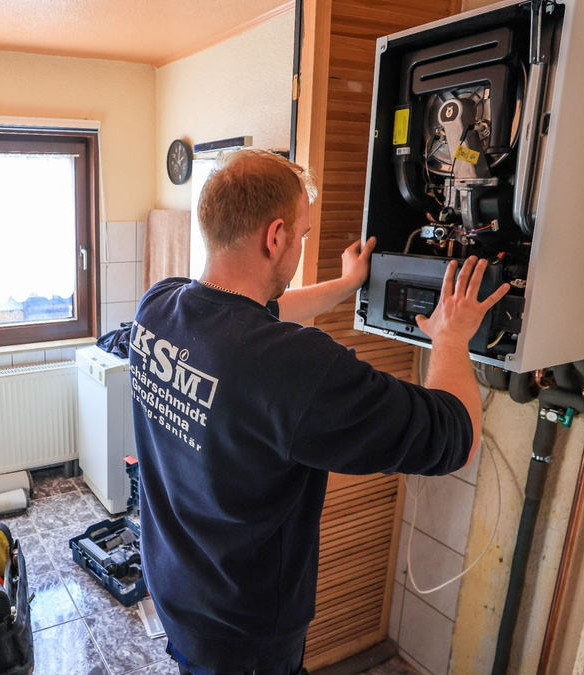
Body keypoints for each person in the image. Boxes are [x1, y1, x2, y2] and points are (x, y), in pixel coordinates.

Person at [126, 148, 509, 675]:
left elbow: (254, 313)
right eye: (303, 235)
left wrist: (348, 285)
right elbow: (455, 435)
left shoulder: (159, 306)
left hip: (176, 589)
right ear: (275, 236)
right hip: (243, 634)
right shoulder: (293, 366)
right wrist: (451, 337)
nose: (302, 244)